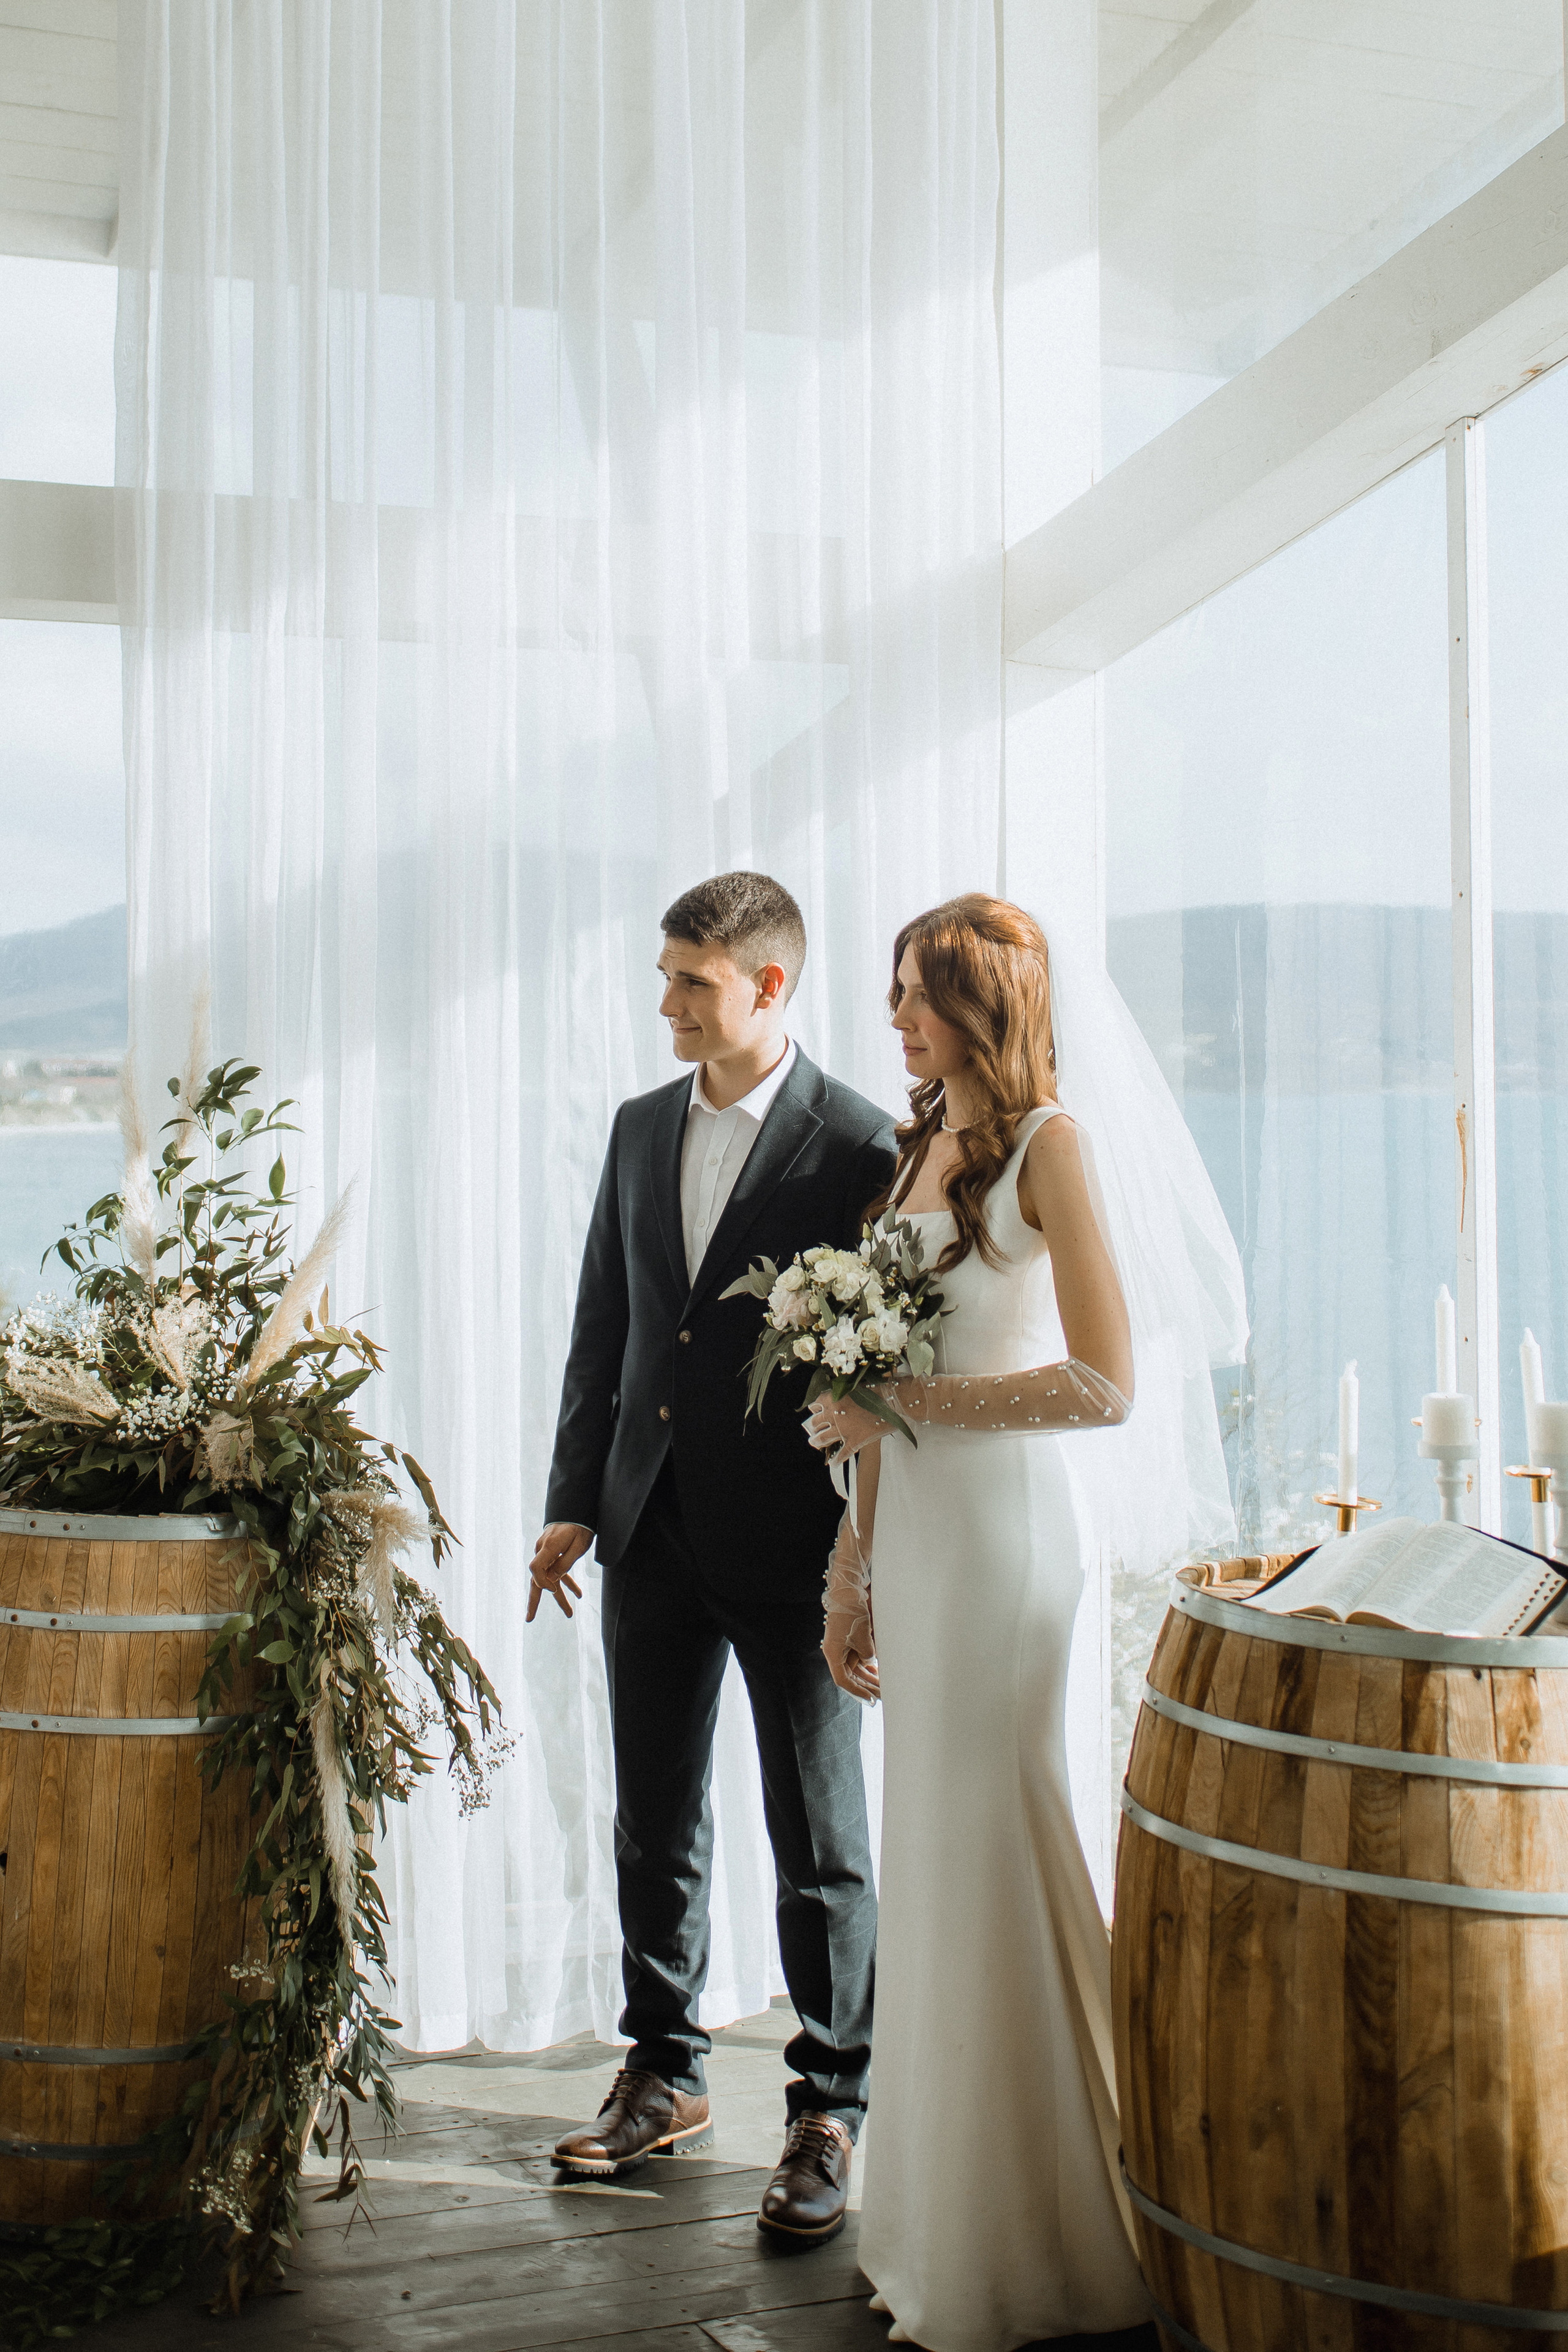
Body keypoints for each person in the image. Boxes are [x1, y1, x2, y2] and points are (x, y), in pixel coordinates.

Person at [805, 894, 1245, 2350]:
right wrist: (847, 1565)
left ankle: (1041, 2235)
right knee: (929, 1865)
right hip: (916, 1542)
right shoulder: (911, 1146)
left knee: (994, 1841)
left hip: (1003, 1547)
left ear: (981, 1001)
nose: (893, 1018)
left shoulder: (1050, 1147)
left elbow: (1104, 1383)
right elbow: (871, 1388)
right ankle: (937, 2223)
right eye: (889, 993)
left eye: (916, 993)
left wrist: (903, 1405)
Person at [530, 870, 895, 2245]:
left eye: (692, 979)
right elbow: (605, 1329)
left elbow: (882, 1374)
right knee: (653, 1818)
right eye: (666, 973)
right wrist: (574, 1499)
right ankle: (664, 2072)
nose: (667, 1000)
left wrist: (862, 1549)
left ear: (769, 987)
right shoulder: (635, 1130)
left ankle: (828, 2107)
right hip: (647, 1530)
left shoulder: (860, 1146)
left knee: (817, 1841)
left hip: (794, 1546)